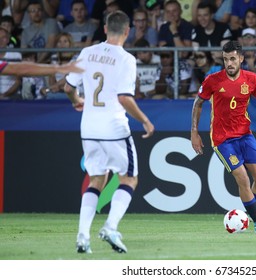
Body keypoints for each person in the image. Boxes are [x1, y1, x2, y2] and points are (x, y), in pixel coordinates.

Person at [64, 10, 154, 254]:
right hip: (113, 126)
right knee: (129, 178)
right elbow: (124, 97)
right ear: (127, 31)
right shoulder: (126, 59)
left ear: (104, 29)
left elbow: (68, 86)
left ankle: (83, 236)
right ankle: (111, 226)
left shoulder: (87, 52)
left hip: (89, 127)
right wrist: (145, 120)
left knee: (96, 180)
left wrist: (76, 100)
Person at [191, 41, 256, 233]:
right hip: (222, 140)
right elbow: (198, 104)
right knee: (243, 178)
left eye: (232, 59)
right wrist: (194, 132)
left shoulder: (251, 79)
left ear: (240, 59)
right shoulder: (213, 80)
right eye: (225, 59)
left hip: (245, 135)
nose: (229, 63)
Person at [40, 32, 80, 99]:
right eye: (59, 41)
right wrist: (53, 88)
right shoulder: (54, 57)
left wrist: (52, 87)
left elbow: (69, 77)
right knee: (48, 94)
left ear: (70, 43)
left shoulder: (77, 58)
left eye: (65, 41)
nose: (62, 44)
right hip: (58, 89)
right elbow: (52, 76)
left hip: (74, 90)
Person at [0, 27, 22, 100]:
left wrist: (4, 95)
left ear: (8, 39)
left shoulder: (15, 55)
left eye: (3, 38)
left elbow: (18, 81)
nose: (0, 41)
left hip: (12, 97)